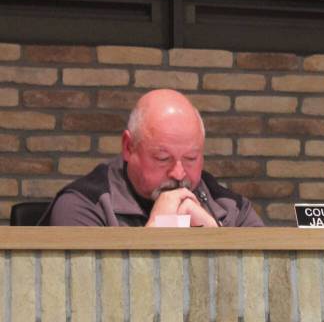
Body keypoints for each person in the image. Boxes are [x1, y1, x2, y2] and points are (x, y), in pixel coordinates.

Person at [41, 89, 263, 227]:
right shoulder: (84, 205)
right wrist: (156, 234)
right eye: (163, 158)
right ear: (128, 147)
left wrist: (217, 241)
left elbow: (266, 280)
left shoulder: (230, 207)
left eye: (191, 158)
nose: (179, 174)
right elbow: (84, 288)